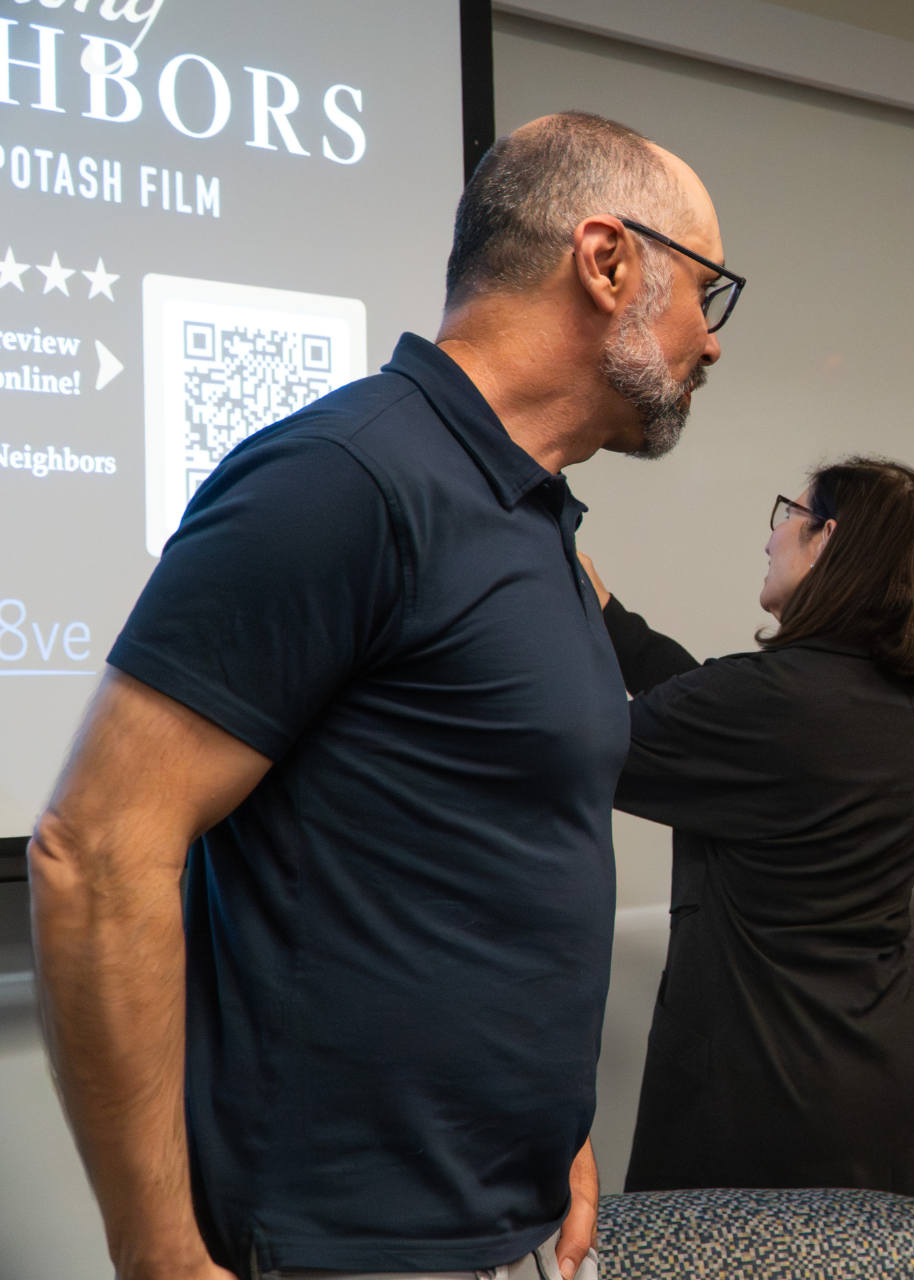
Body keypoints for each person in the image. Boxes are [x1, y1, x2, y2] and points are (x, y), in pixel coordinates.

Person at [27, 111, 729, 1280]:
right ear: (606, 262)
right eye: (709, 292)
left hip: (517, 1221)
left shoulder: (530, 515)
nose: (713, 342)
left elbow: (486, 860)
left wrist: (560, 1132)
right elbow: (95, 850)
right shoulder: (344, 477)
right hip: (352, 1243)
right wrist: (157, 1252)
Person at [583, 458, 914, 1204]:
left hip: (773, 1100)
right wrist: (608, 618)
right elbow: (719, 724)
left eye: (791, 512)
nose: (771, 537)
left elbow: (582, 744)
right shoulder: (896, 700)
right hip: (873, 1082)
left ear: (826, 541)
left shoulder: (772, 703)